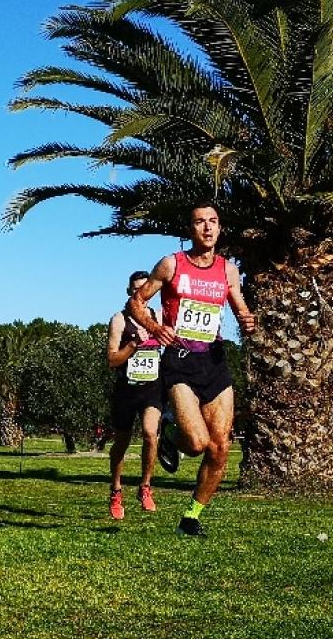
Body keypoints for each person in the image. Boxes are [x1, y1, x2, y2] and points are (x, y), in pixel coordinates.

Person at [128, 201, 256, 536]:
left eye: (213, 221)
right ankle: (169, 432)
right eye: (200, 222)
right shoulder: (172, 264)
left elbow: (238, 303)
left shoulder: (228, 270)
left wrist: (246, 319)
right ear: (191, 229)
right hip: (179, 360)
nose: (208, 228)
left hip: (213, 360)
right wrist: (155, 329)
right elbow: (136, 302)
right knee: (198, 444)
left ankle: (191, 517)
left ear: (220, 227)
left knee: (221, 447)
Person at [104, 269, 164, 520]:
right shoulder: (119, 320)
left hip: (153, 387)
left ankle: (145, 487)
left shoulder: (158, 317)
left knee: (151, 434)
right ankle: (116, 490)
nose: (141, 294)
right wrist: (132, 345)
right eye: (136, 290)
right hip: (126, 390)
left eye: (145, 290)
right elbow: (111, 360)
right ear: (130, 293)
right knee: (122, 441)